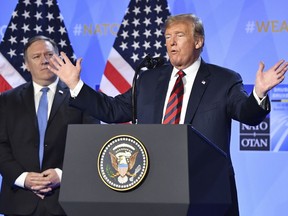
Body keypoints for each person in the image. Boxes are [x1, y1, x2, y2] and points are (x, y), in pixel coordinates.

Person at [48, 14, 288, 216]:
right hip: (153, 187)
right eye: (167, 37)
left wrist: (258, 92)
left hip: (205, 189)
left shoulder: (224, 80)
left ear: (198, 41)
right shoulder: (148, 79)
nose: (171, 43)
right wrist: (76, 85)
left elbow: (246, 113)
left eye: (179, 36)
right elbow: (113, 110)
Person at [0, 35, 99, 216]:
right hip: (19, 201)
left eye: (49, 54)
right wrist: (23, 179)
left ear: (58, 59)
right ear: (27, 65)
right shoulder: (7, 101)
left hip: (66, 201)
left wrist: (62, 174)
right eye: (36, 57)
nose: (44, 60)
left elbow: (92, 145)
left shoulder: (82, 98)